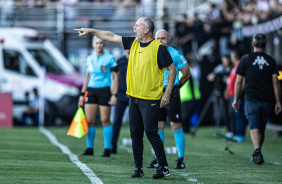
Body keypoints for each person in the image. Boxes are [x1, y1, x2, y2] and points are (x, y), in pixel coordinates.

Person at [74, 16, 177, 179]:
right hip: (133, 97)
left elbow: (172, 70)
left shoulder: (159, 48)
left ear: (146, 30)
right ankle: (138, 169)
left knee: (151, 132)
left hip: (150, 99)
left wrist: (167, 93)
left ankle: (163, 167)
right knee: (135, 134)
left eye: (137, 26)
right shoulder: (133, 43)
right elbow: (110, 36)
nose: (134, 28)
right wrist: (91, 31)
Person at [232, 33, 282, 165]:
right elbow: (276, 82)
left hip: (251, 99)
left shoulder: (245, 59)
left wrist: (236, 99)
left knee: (254, 125)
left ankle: (257, 151)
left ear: (252, 44)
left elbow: (238, 82)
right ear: (266, 45)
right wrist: (278, 101)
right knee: (261, 128)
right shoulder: (271, 61)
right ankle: (257, 151)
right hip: (267, 100)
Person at [146, 29, 190, 170]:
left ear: (169, 39)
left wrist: (174, 89)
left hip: (171, 93)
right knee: (158, 127)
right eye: (158, 38)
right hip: (156, 93)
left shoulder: (176, 54)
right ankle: (158, 158)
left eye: (163, 38)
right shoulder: (150, 53)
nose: (160, 41)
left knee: (175, 126)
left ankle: (180, 159)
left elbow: (186, 74)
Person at [78, 36, 119, 158]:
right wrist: (82, 94)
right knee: (89, 121)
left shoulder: (110, 58)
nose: (99, 45)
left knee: (105, 120)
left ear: (104, 45)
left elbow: (116, 77)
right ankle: (89, 148)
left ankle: (107, 149)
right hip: (91, 90)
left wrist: (114, 94)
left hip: (104, 91)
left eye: (101, 43)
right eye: (97, 43)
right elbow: (87, 77)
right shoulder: (89, 58)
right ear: (93, 45)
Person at [111, 50, 130, 154]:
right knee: (116, 121)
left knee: (135, 123)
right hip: (121, 95)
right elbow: (115, 78)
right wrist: (114, 94)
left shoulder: (137, 60)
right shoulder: (120, 61)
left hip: (133, 95)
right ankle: (113, 145)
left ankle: (137, 145)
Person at [227, 50, 247, 142]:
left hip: (237, 95)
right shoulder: (235, 67)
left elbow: (242, 80)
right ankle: (236, 133)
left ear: (235, 56)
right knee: (235, 115)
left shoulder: (240, 66)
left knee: (239, 115)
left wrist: (238, 93)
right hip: (232, 95)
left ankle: (240, 135)